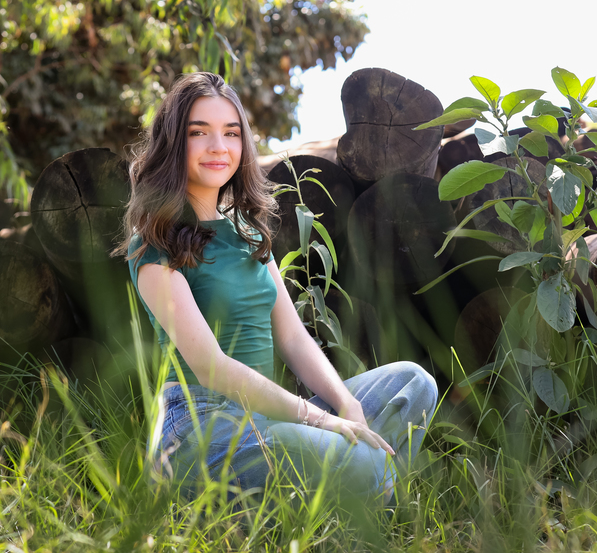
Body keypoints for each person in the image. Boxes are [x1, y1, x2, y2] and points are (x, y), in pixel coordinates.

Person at [119, 72, 437, 502]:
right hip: (201, 428)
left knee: (414, 384)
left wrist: (348, 406)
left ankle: (343, 493)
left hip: (265, 418)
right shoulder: (155, 243)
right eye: (199, 132)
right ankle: (365, 494)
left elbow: (293, 338)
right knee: (364, 463)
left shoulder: (248, 233)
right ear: (174, 142)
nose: (218, 147)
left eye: (231, 133)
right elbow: (211, 368)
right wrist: (320, 420)